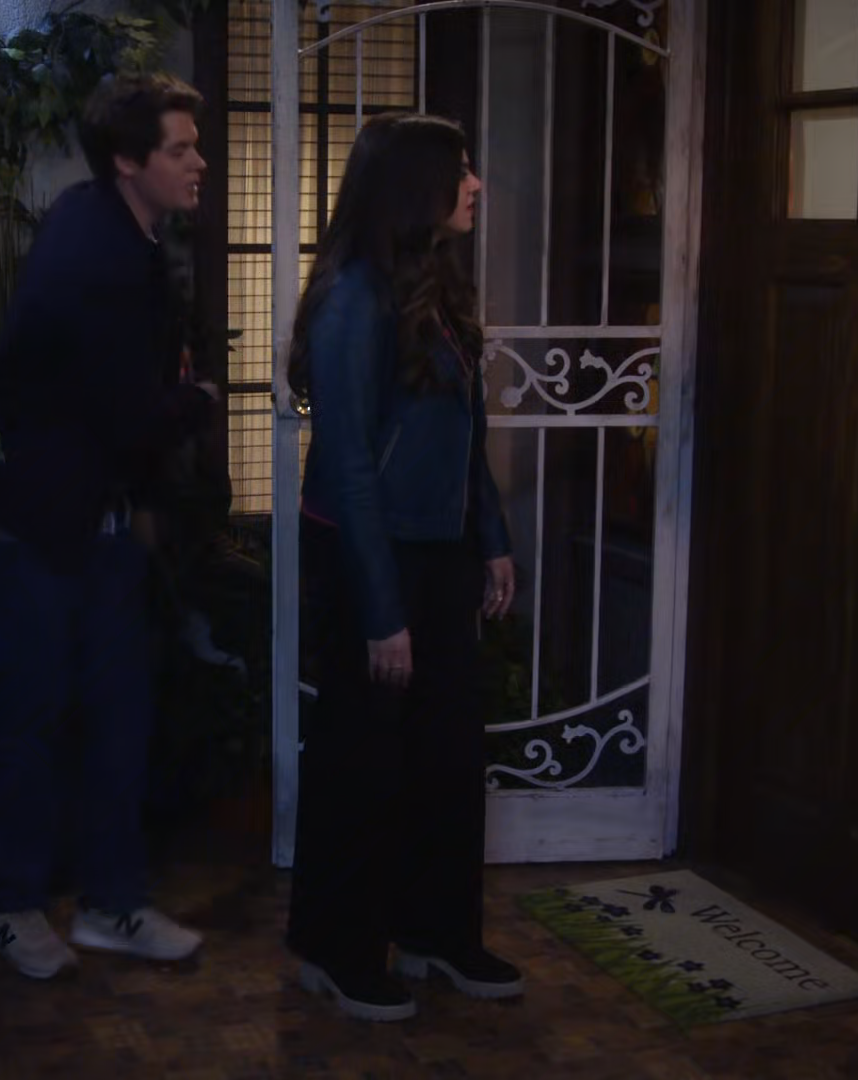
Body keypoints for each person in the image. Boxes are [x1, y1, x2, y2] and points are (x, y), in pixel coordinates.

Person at [0, 72, 218, 979]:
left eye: (195, 144)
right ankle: (10, 908)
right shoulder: (93, 249)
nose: (199, 162)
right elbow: (125, 411)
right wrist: (201, 399)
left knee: (119, 717)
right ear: (127, 161)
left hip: (96, 518)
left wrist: (140, 504)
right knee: (32, 720)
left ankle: (112, 904)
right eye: (180, 149)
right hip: (33, 522)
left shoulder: (126, 234)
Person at [283, 112, 522, 1022]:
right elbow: (348, 463)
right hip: (367, 552)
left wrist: (491, 538)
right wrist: (383, 611)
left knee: (447, 753)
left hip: (440, 548)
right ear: (410, 187)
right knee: (362, 757)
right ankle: (336, 948)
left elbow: (464, 435)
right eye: (458, 169)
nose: (476, 184)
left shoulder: (435, 285)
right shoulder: (353, 296)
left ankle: (437, 933)